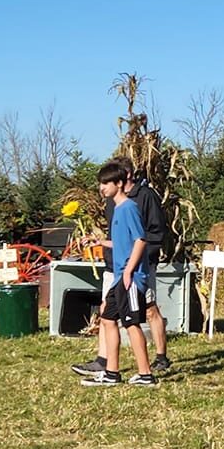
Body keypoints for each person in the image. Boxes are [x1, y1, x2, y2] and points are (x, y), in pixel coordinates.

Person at [72, 159, 169, 380]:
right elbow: (122, 242)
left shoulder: (129, 208)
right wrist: (99, 242)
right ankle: (111, 373)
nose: (101, 188)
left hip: (131, 277)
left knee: (131, 324)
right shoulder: (116, 208)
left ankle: (145, 375)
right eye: (100, 184)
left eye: (106, 183)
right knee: (107, 319)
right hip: (118, 278)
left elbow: (141, 240)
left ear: (120, 182)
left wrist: (128, 272)